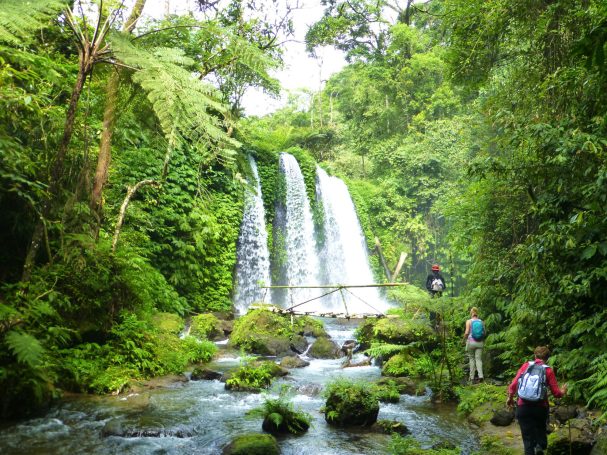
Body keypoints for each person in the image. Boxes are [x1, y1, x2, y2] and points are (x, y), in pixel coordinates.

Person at [507, 346, 567, 455]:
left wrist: (510, 398)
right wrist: (563, 391)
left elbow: (513, 385)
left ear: (535, 356)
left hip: (523, 407)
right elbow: (557, 393)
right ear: (547, 358)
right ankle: (540, 446)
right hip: (540, 408)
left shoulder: (525, 366)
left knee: (527, 440)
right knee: (541, 430)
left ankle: (533, 449)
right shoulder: (548, 370)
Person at [463, 307, 485, 383]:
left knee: (472, 359)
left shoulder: (468, 321)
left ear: (471, 313)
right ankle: (481, 376)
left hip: (471, 342)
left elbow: (466, 332)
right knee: (478, 359)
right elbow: (484, 333)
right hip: (480, 342)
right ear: (477, 313)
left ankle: (472, 377)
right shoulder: (481, 322)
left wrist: (463, 340)